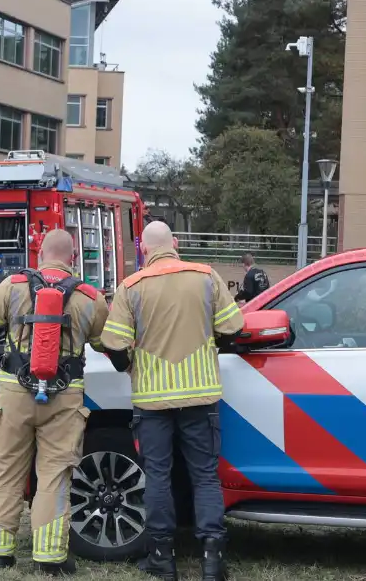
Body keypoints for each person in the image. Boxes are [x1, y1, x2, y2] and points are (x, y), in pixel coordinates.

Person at [100, 221, 245, 581]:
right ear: (176, 244)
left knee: (158, 478)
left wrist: (131, 365)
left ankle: (162, 558)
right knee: (205, 477)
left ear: (144, 250)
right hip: (200, 395)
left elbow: (113, 344)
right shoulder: (206, 276)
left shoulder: (131, 287)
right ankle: (213, 559)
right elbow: (234, 328)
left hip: (152, 402)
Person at [0, 228, 109, 576]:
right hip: (64, 398)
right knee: (54, 474)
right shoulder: (90, 296)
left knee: (6, 470)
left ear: (39, 254)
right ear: (73, 258)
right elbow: (105, 340)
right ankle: (49, 557)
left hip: (16, 394)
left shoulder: (14, 284)